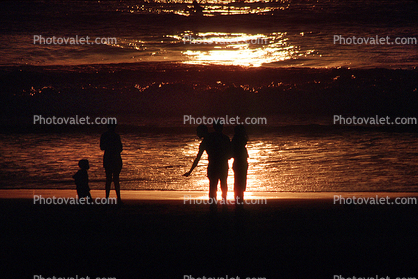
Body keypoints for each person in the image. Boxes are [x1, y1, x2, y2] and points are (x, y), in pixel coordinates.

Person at [184, 122, 231, 204]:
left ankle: (213, 207)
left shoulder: (206, 141)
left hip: (213, 165)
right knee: (223, 185)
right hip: (223, 164)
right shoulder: (225, 138)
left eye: (198, 131)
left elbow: (198, 158)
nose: (197, 133)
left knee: (213, 187)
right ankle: (224, 205)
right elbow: (230, 153)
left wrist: (190, 171)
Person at [100, 123, 123, 204]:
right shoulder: (116, 136)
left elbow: (102, 147)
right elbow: (120, 149)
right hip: (115, 158)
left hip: (108, 158)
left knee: (109, 179)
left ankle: (107, 198)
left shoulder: (104, 135)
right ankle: (118, 198)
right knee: (115, 179)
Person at [231, 125, 249, 205]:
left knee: (239, 183)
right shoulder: (238, 140)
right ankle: (239, 201)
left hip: (239, 162)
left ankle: (239, 201)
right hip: (240, 162)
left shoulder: (236, 139)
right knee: (240, 183)